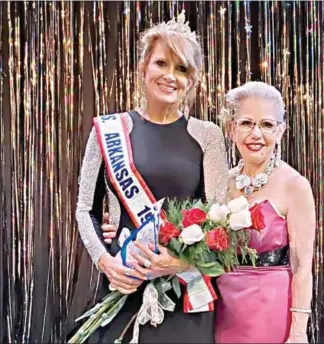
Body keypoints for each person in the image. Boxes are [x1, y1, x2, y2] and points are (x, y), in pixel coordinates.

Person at [75, 10, 228, 344]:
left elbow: (221, 218)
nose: (170, 76)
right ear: (143, 67)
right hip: (124, 282)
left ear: (193, 80)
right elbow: (85, 208)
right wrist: (104, 261)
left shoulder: (208, 135)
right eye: (161, 63)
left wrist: (178, 262)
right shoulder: (111, 130)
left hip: (186, 290)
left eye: (182, 68)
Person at [215, 81, 315, 343]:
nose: (256, 134)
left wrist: (297, 333)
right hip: (221, 309)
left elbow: (302, 267)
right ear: (231, 129)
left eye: (267, 125)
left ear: (280, 131)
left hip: (270, 310)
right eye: (246, 123)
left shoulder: (295, 185)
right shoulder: (220, 183)